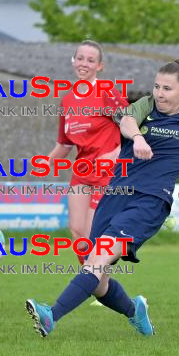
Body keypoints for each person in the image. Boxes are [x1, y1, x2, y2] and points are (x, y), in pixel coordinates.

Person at [26, 58, 179, 337]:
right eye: (157, 86)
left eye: (167, 88)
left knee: (98, 259)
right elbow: (126, 121)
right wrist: (138, 137)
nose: (160, 93)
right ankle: (134, 311)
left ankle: (51, 315)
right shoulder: (146, 106)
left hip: (150, 202)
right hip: (115, 195)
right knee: (99, 280)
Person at [43, 40, 128, 265]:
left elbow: (134, 127)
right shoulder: (67, 100)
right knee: (78, 233)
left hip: (107, 172)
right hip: (82, 171)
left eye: (91, 60)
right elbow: (64, 144)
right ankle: (95, 286)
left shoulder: (107, 92)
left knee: (94, 235)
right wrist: (46, 163)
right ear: (73, 61)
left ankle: (102, 289)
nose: (84, 63)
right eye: (80, 58)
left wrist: (116, 153)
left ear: (99, 66)